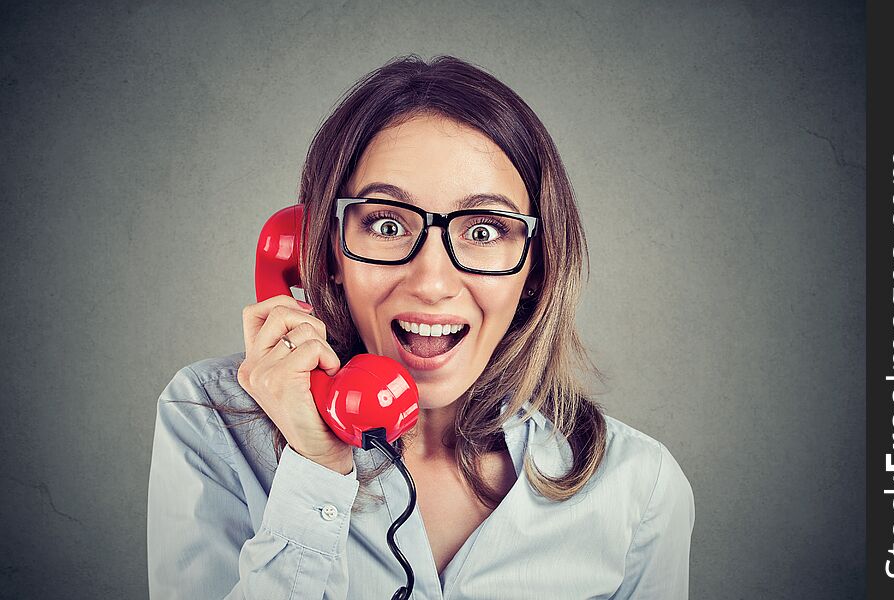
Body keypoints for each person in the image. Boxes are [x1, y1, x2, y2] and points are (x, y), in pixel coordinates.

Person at [147, 54, 694, 600]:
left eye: (484, 230)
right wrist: (315, 470)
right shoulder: (209, 421)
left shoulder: (638, 489)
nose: (432, 282)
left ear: (537, 265)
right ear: (326, 250)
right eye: (386, 224)